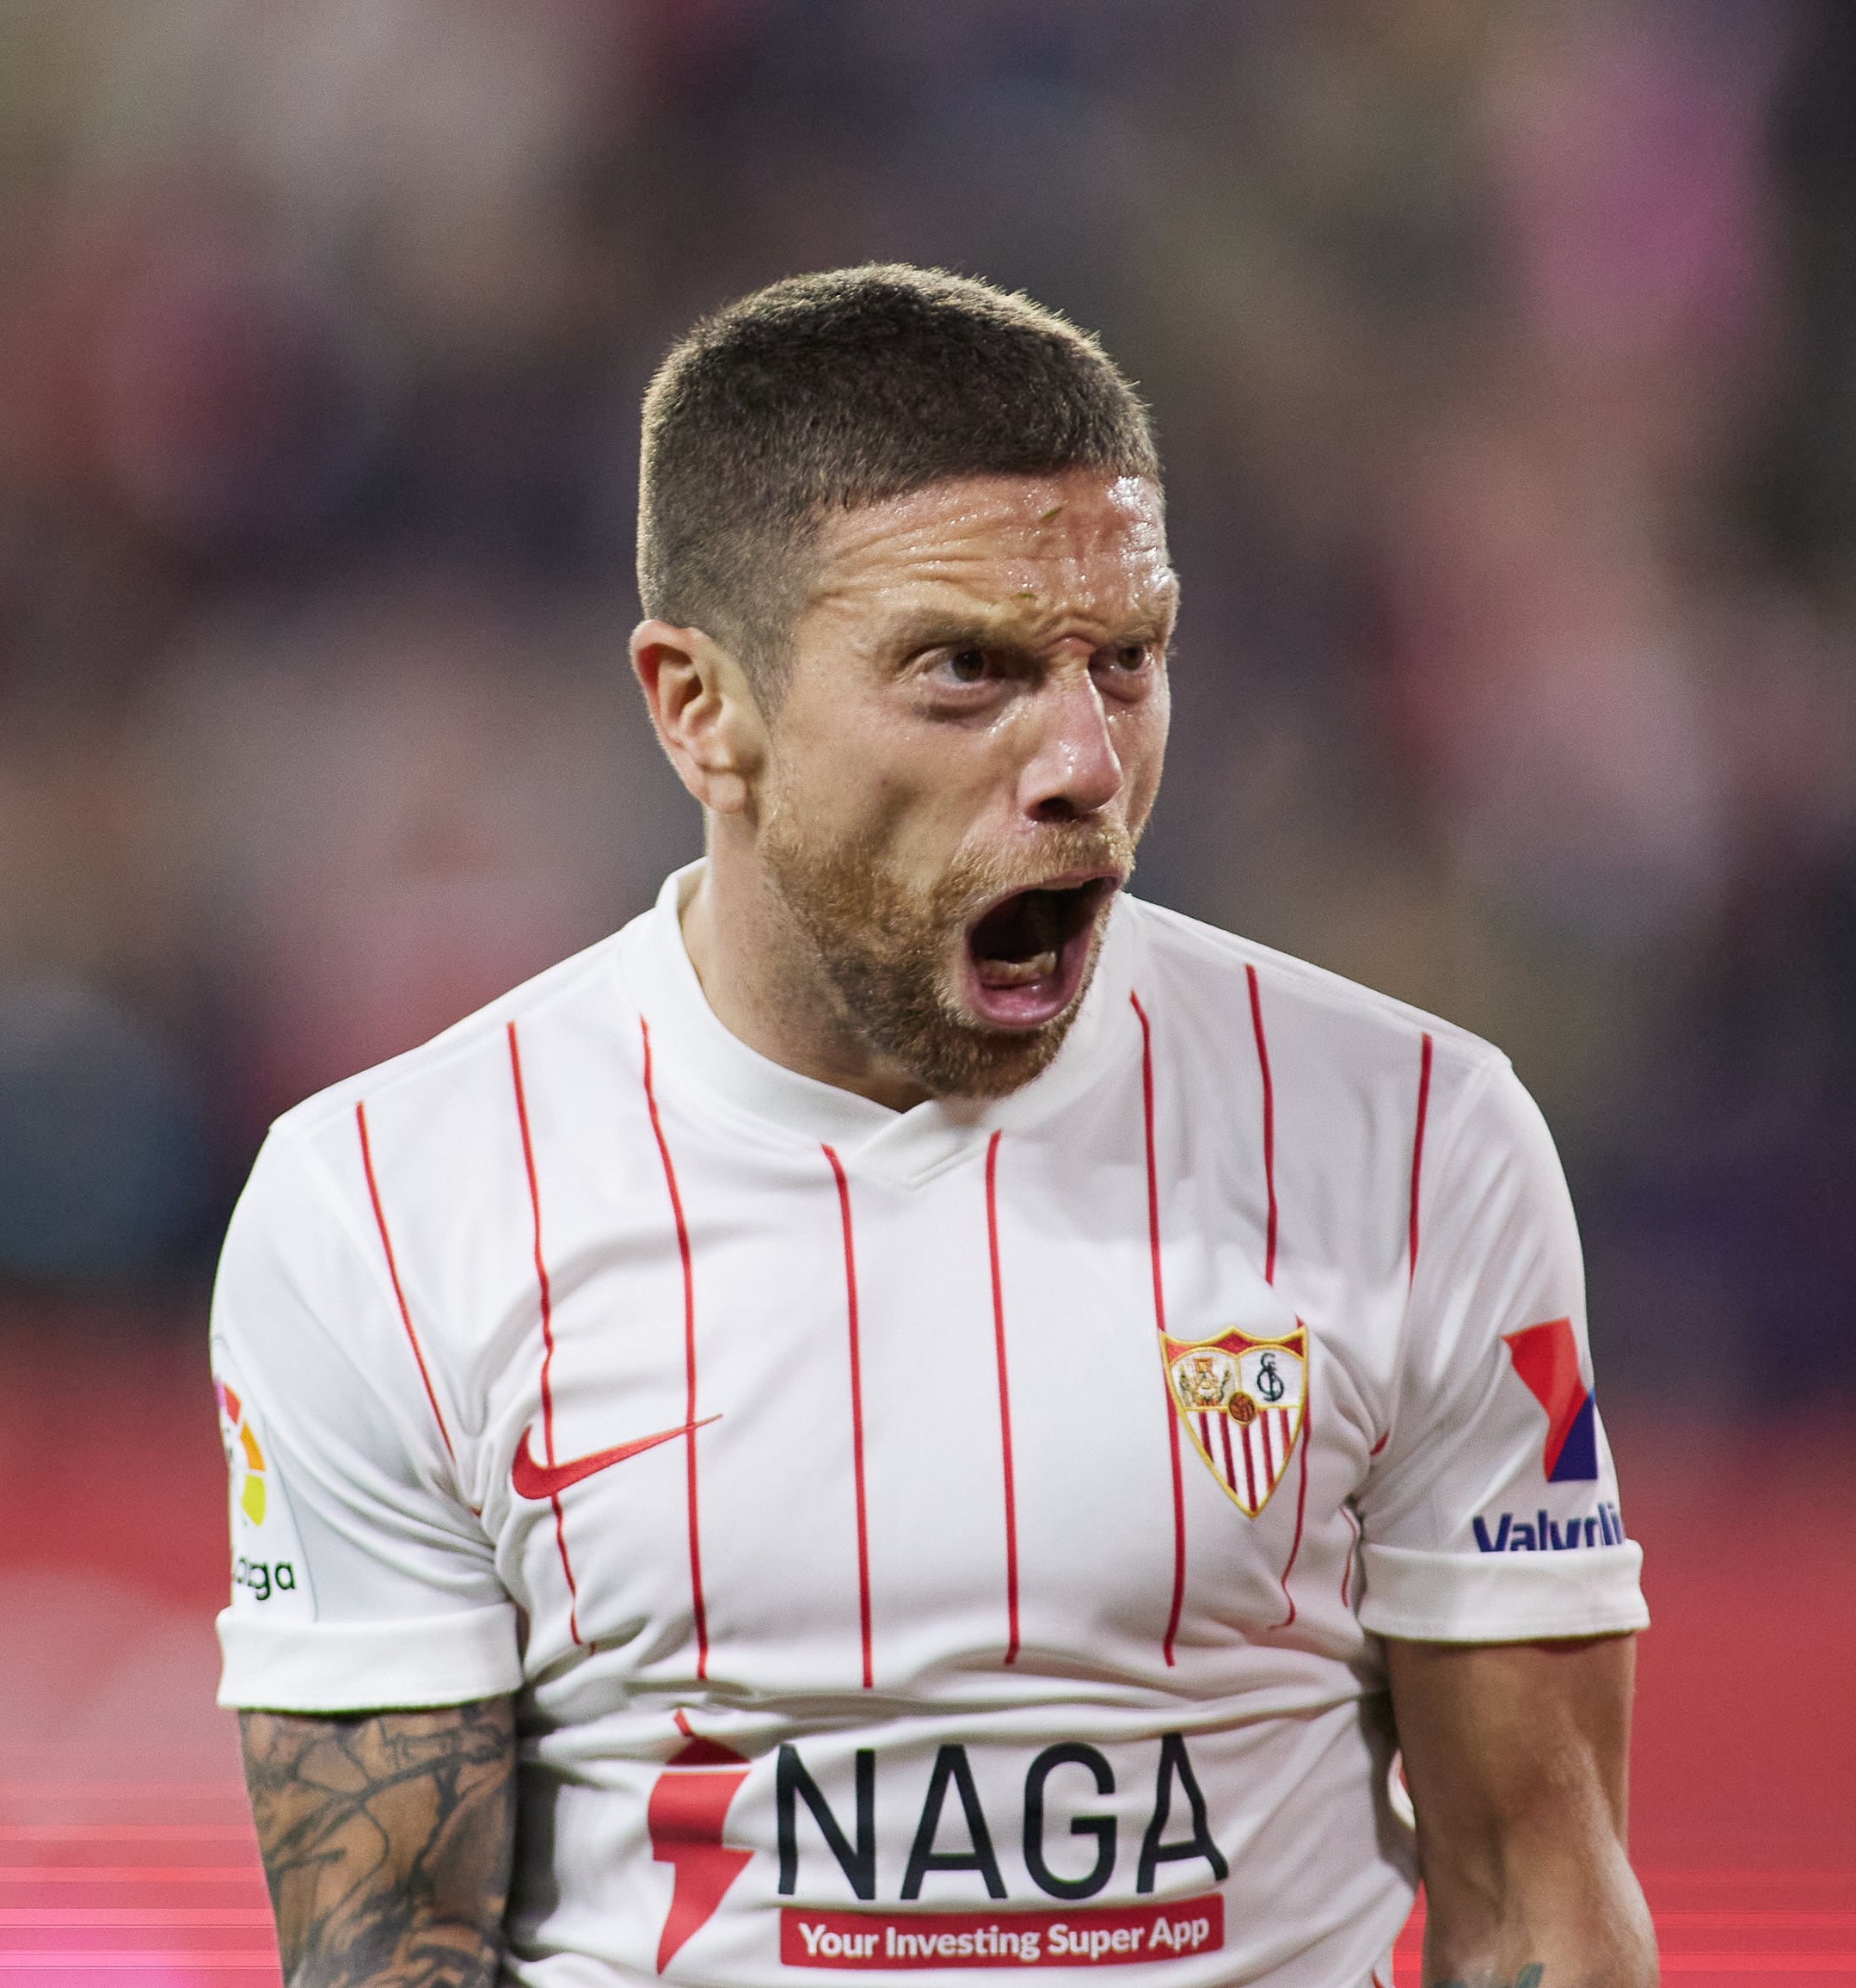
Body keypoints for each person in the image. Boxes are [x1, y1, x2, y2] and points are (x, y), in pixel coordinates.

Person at [212, 265, 1654, 1988]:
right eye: (964, 671)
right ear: (702, 708)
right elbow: (388, 1943)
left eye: (1126, 662)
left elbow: (1536, 1898)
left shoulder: (1416, 1138)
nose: (1083, 762)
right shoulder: (387, 1201)